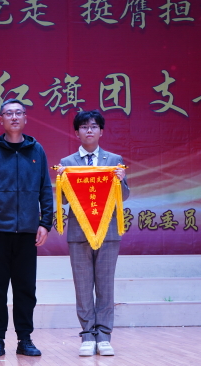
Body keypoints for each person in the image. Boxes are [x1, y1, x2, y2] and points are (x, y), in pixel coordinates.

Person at [0, 99, 54, 357]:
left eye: (19, 113)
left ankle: (24, 339)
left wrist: (45, 223)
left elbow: (45, 188)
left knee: (25, 288)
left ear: (26, 118)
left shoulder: (36, 150)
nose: (14, 117)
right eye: (9, 113)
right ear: (1, 120)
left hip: (27, 232)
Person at [57, 110, 130, 357]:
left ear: (101, 131)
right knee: (83, 286)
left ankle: (104, 336)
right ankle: (87, 335)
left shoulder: (114, 160)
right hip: (79, 233)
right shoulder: (67, 163)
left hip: (108, 232)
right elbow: (63, 200)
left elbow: (124, 196)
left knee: (106, 286)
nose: (89, 130)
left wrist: (121, 180)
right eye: (84, 127)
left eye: (94, 126)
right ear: (76, 133)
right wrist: (61, 182)